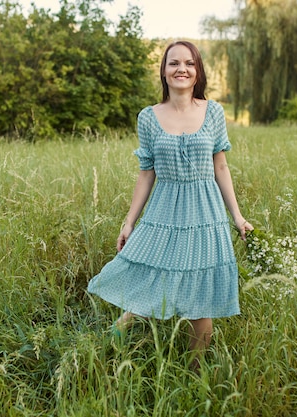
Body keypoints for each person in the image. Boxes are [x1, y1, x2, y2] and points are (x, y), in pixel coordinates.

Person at [87, 40, 253, 368]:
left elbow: (220, 167)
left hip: (206, 213)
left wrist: (237, 217)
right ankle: (103, 350)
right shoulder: (148, 118)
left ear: (197, 72)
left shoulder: (213, 112)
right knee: (151, 275)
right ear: (163, 71)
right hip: (163, 211)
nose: (182, 69)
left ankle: (194, 376)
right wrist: (129, 221)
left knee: (201, 296)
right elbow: (146, 173)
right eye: (174, 63)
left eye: (189, 63)